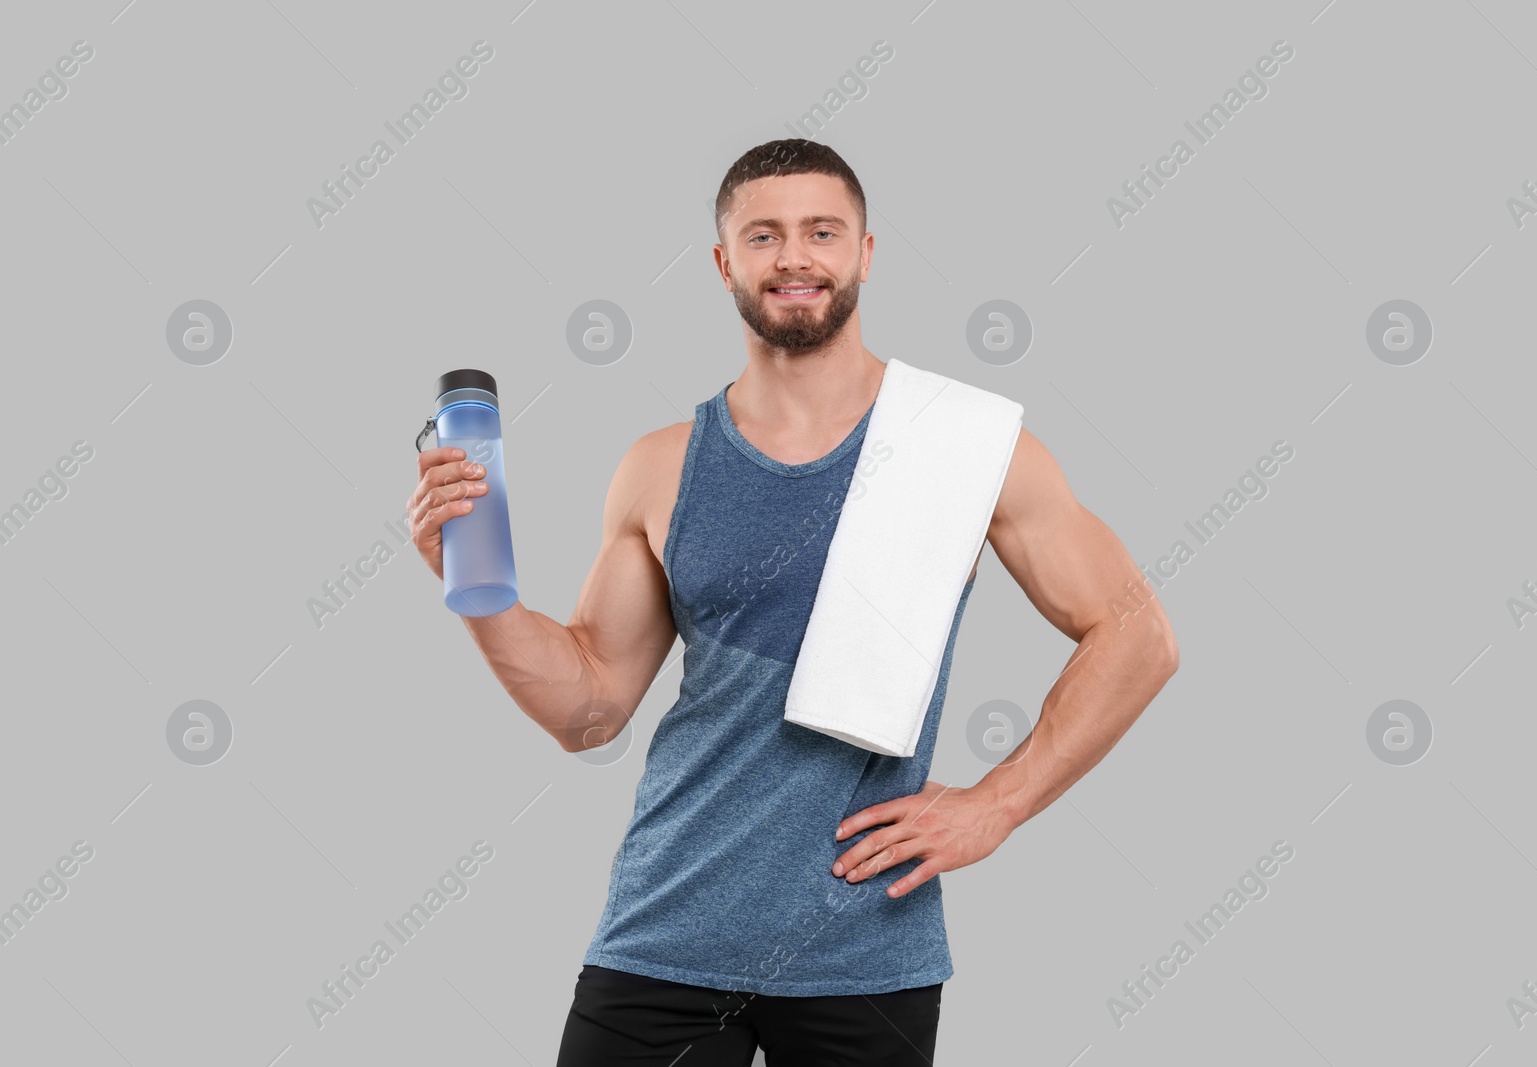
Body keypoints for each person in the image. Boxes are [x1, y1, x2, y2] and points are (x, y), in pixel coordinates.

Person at [407, 138, 1179, 1065]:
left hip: (866, 949)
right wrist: (478, 595)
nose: (796, 257)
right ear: (726, 263)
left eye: (822, 231)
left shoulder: (968, 444)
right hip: (665, 931)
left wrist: (996, 805)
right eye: (764, 235)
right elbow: (591, 707)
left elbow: (1138, 636)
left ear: (865, 253)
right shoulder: (660, 465)